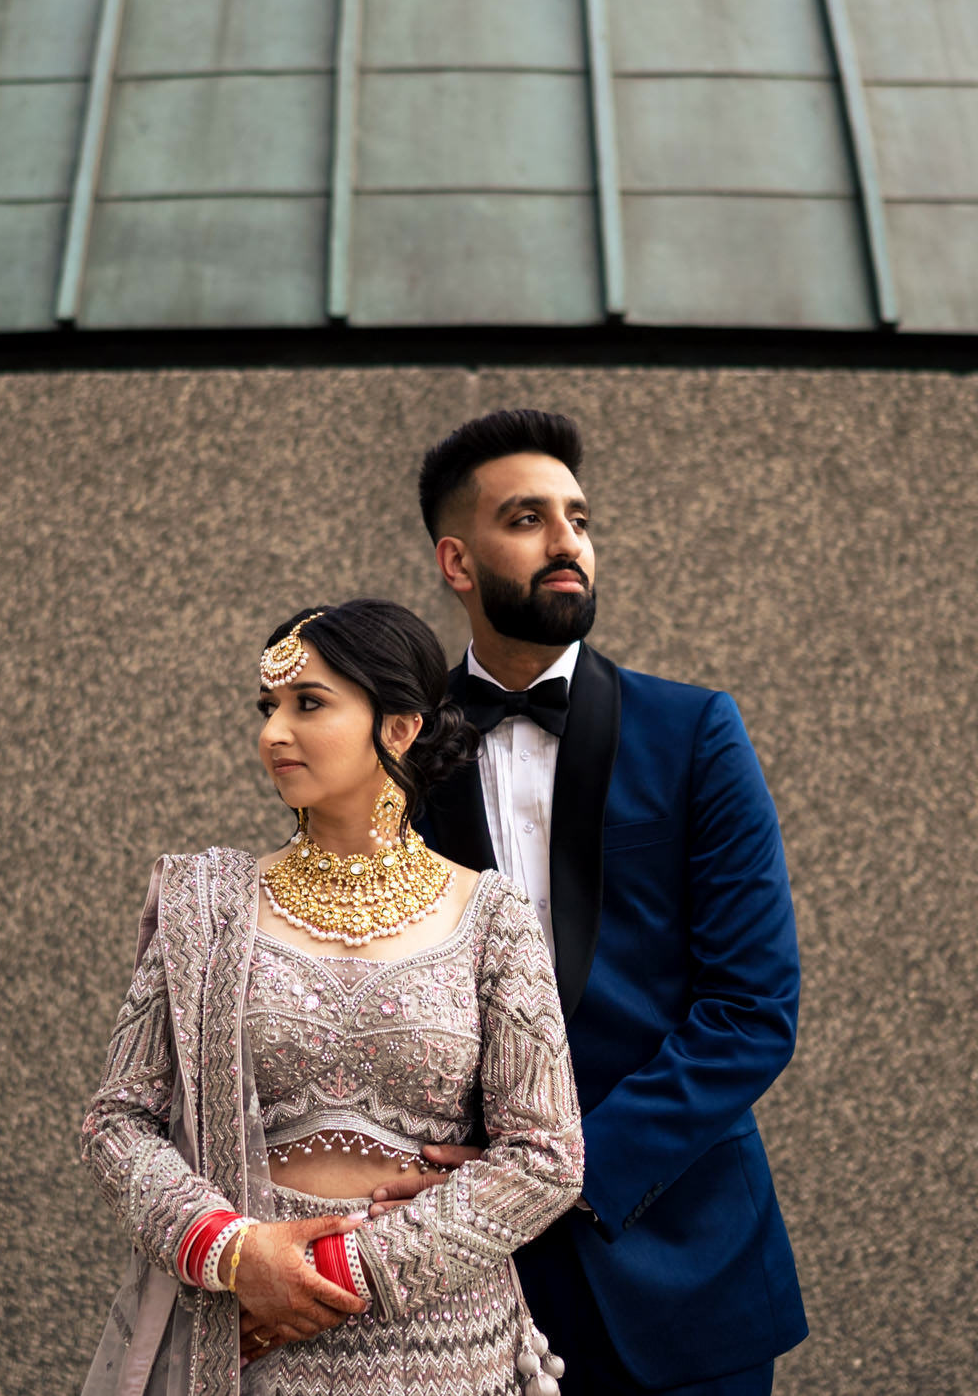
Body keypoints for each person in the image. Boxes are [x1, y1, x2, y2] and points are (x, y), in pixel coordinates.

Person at [363, 409, 808, 1395]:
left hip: (678, 1269)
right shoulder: (391, 751)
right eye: (526, 519)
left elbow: (751, 1011)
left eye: (579, 517)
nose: (567, 542)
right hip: (457, 1285)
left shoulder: (695, 733)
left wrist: (561, 1174)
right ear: (457, 561)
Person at [78, 598, 586, 1396]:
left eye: (308, 704)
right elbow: (117, 1121)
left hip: (444, 1343)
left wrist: (339, 1268)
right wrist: (236, 1251)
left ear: (399, 726)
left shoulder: (493, 919)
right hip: (248, 1337)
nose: (274, 732)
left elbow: (549, 1155)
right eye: (268, 707)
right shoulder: (210, 905)